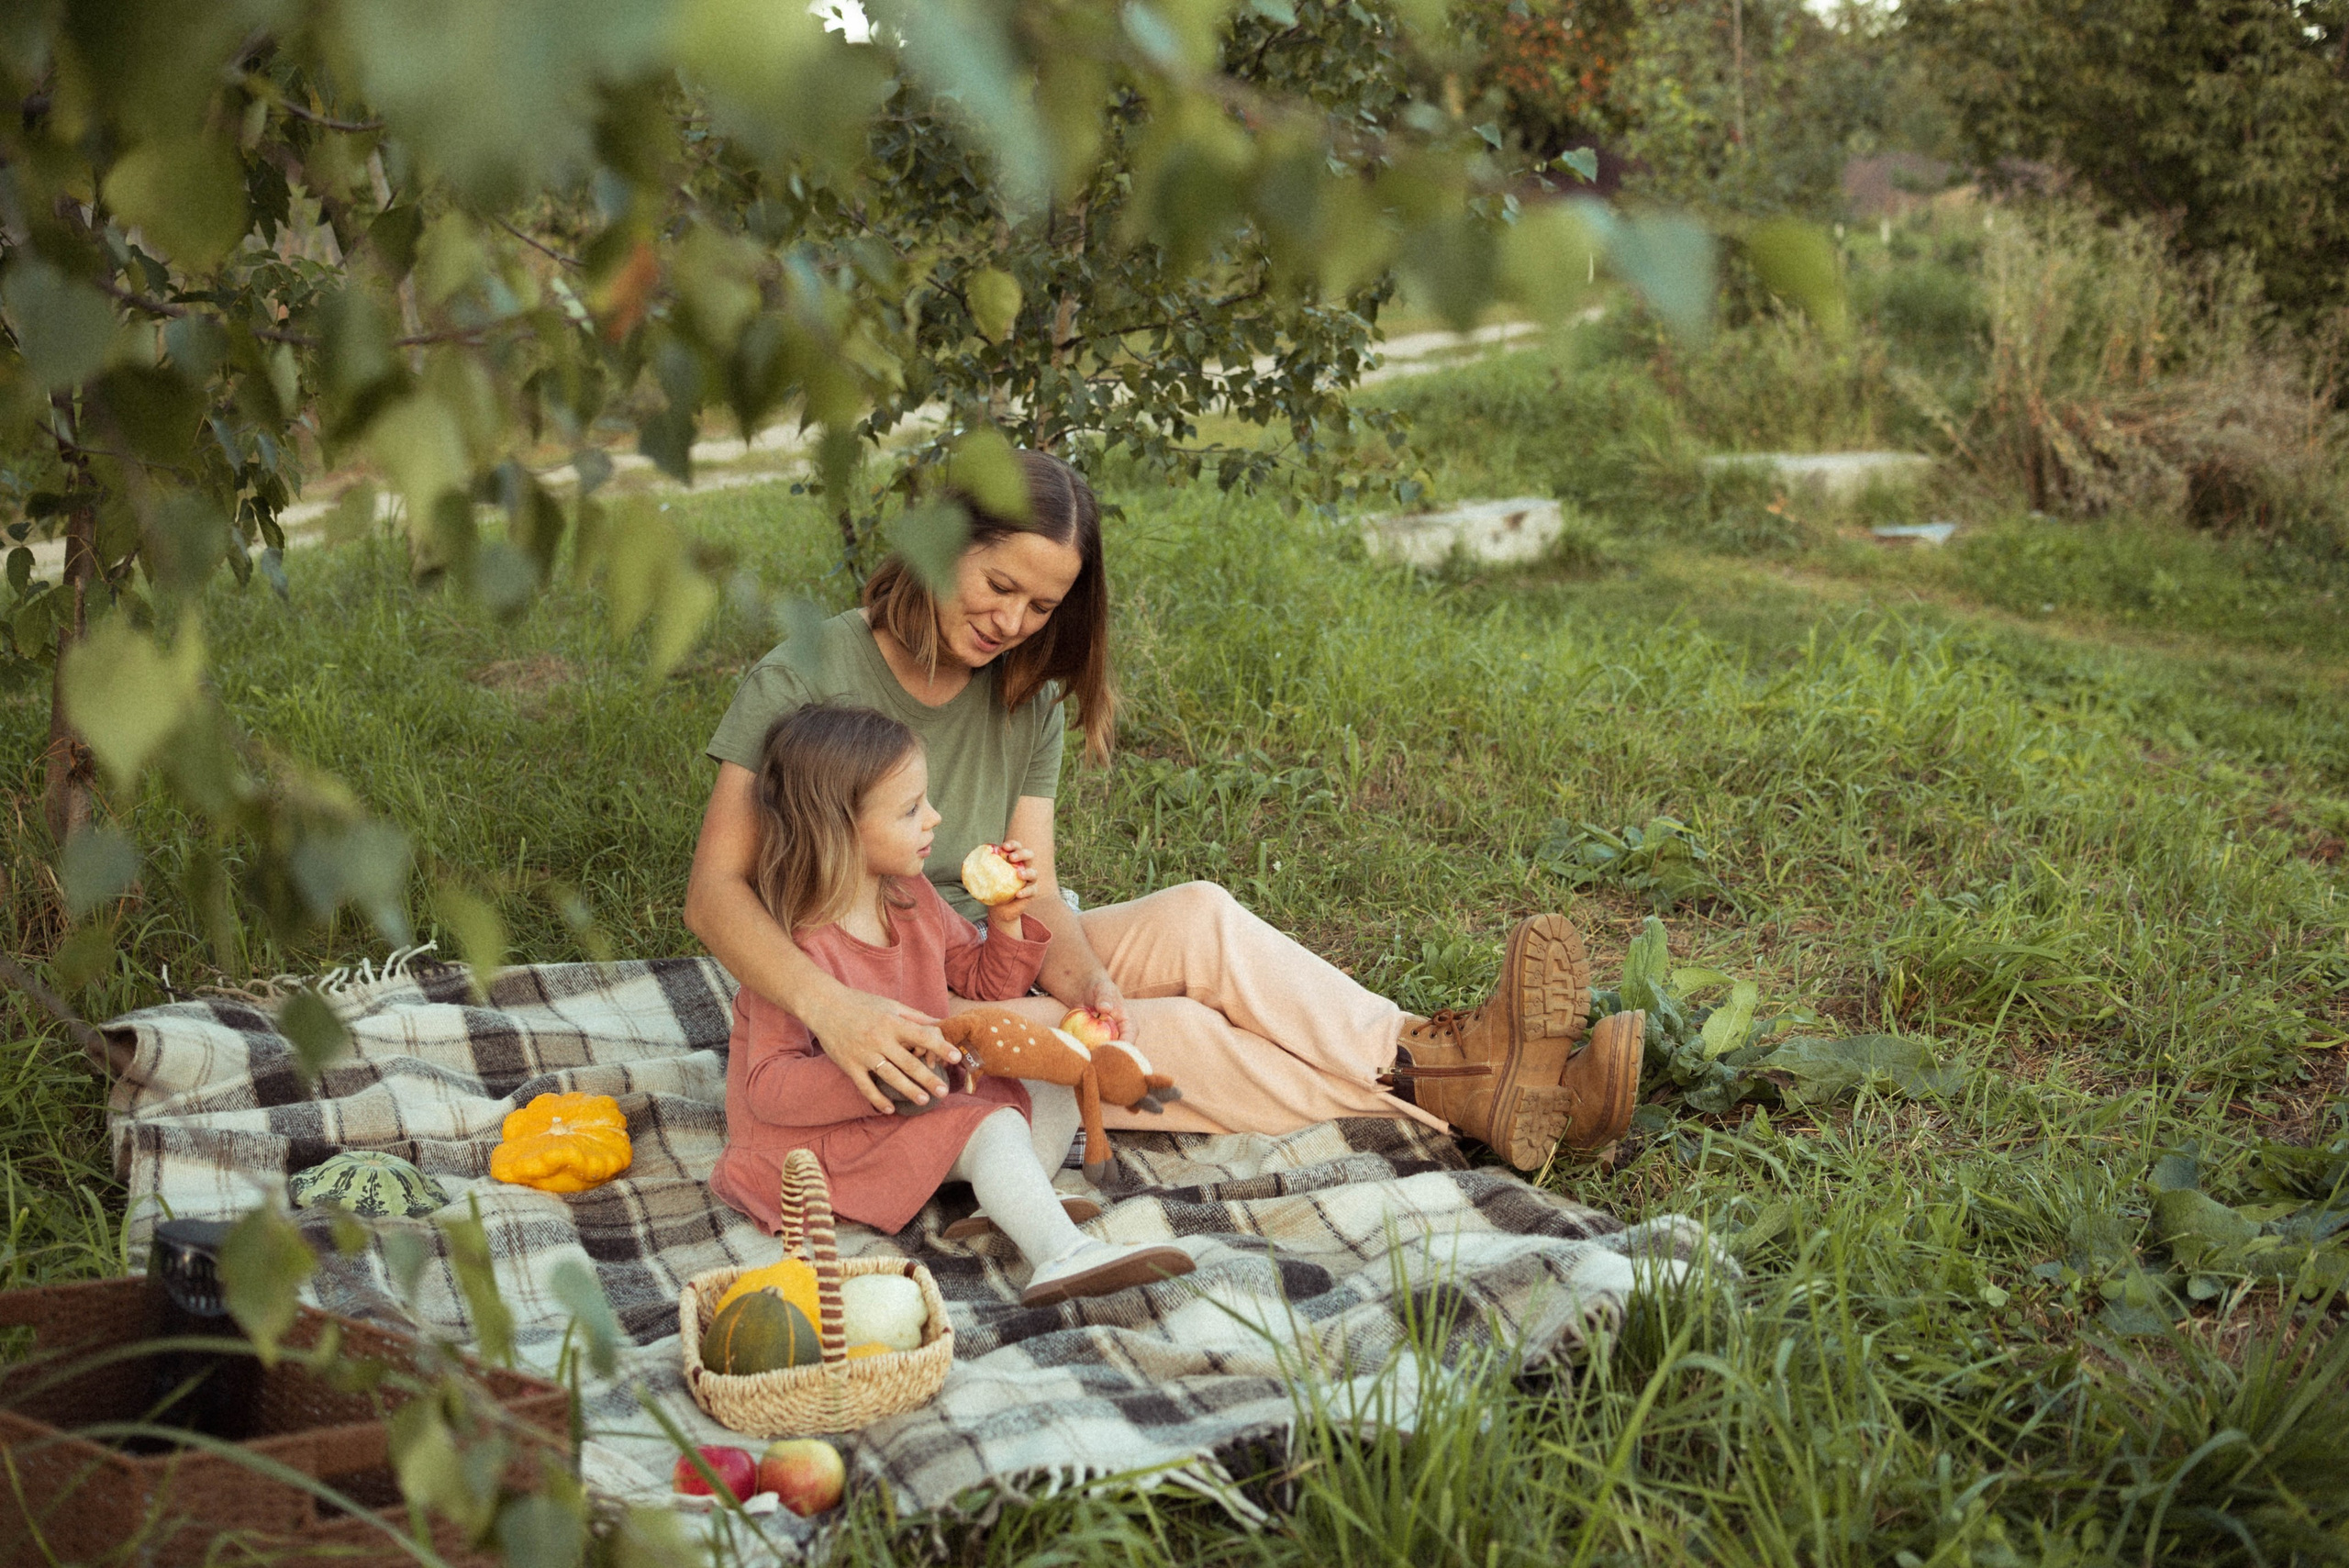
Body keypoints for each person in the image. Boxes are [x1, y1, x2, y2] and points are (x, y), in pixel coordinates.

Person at [684, 449, 1642, 1179]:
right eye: (999, 585)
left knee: (1200, 915)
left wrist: (1089, 977)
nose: (1012, 623)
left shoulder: (1024, 695)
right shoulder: (804, 672)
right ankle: (1473, 1092)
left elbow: (1035, 891)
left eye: (1041, 605)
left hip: (979, 948)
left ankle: (1453, 1059)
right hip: (889, 992)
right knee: (1173, 1033)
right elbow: (714, 893)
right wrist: (837, 1011)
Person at [708, 703, 1195, 1307]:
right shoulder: (792, 949)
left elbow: (985, 984)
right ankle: (1059, 1253)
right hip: (819, 1144)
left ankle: (1009, 1202)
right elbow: (768, 1088)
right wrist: (884, 1074)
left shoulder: (909, 895)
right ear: (841, 829)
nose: (935, 818)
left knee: (1061, 1063)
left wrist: (1005, 919)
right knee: (992, 1124)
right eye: (911, 809)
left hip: (912, 1102)